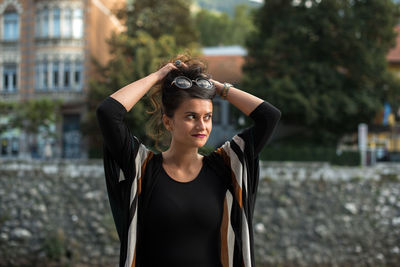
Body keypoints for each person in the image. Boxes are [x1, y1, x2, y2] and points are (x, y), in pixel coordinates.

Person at [96, 55, 281, 267]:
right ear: (168, 121)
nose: (202, 126)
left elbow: (269, 116)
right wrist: (158, 76)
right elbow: (108, 112)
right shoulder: (142, 168)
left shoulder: (226, 167)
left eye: (207, 117)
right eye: (191, 116)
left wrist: (217, 87)